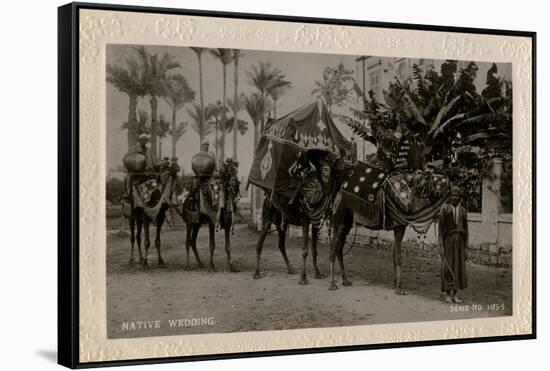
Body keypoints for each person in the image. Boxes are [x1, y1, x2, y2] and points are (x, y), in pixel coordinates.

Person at [438, 186, 468, 303]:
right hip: (448, 241)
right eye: (453, 196)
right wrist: (441, 246)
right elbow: (440, 229)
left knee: (458, 267)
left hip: (460, 242)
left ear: (460, 198)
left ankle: (455, 294)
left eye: (457, 196)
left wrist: (466, 248)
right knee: (448, 267)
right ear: (450, 197)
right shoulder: (444, 209)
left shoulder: (463, 211)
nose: (455, 198)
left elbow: (466, 231)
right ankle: (447, 294)